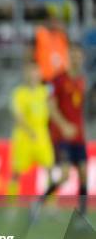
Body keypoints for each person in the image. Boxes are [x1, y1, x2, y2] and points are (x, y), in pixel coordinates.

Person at [34, 45, 89, 221]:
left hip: (78, 137)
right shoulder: (57, 80)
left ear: (82, 59)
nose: (76, 59)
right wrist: (64, 125)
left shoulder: (81, 81)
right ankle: (39, 202)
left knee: (83, 175)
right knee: (65, 175)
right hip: (62, 136)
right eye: (73, 56)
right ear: (68, 58)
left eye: (79, 56)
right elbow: (51, 107)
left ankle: (82, 217)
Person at [7, 61, 54, 196]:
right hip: (24, 137)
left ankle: (51, 204)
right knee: (16, 172)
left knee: (50, 169)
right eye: (30, 71)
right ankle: (11, 206)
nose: (33, 75)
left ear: (39, 74)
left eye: (35, 71)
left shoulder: (45, 91)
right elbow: (18, 116)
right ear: (25, 74)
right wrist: (29, 131)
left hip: (42, 136)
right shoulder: (19, 93)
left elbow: (53, 110)